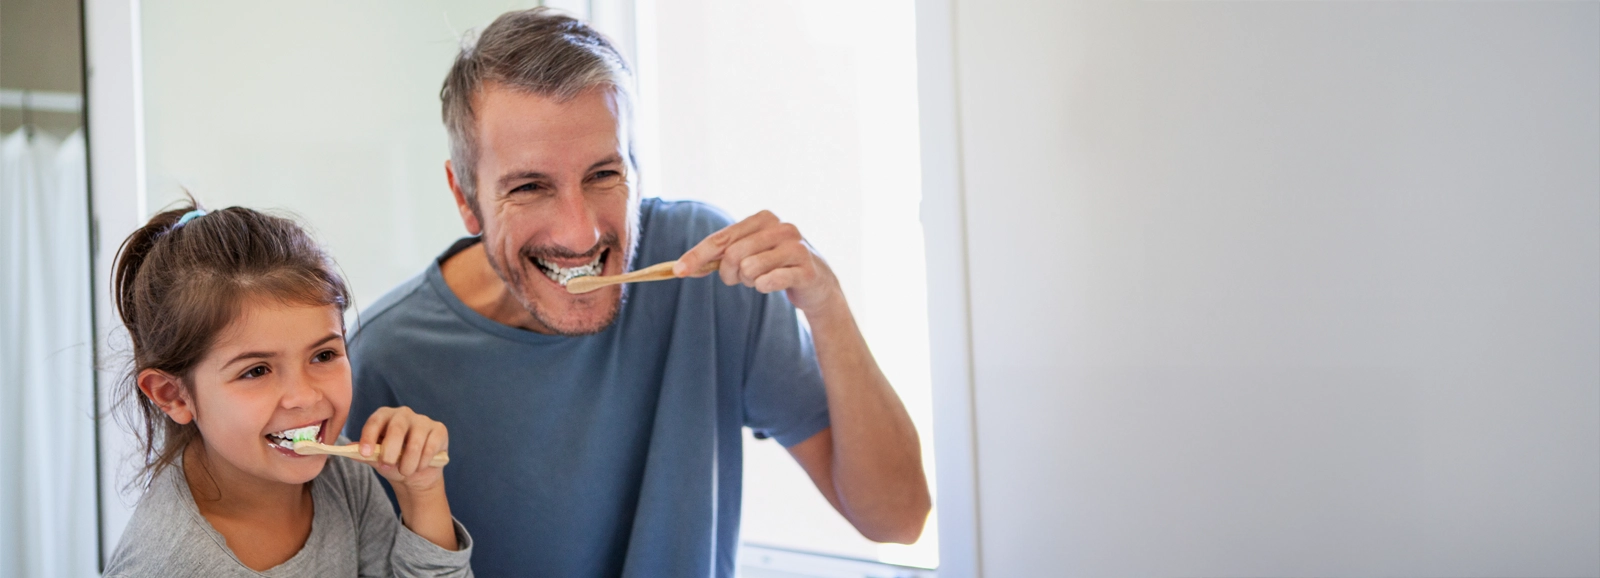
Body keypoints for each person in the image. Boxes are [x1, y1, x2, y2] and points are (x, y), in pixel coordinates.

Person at [346, 7, 931, 577]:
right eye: (529, 186)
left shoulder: (704, 271)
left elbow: (898, 519)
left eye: (603, 174)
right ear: (464, 197)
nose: (581, 232)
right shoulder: (384, 361)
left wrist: (826, 305)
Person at [104, 203, 474, 577]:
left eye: (324, 354)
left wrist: (421, 493)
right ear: (173, 395)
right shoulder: (163, 565)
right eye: (256, 371)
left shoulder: (342, 477)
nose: (305, 397)